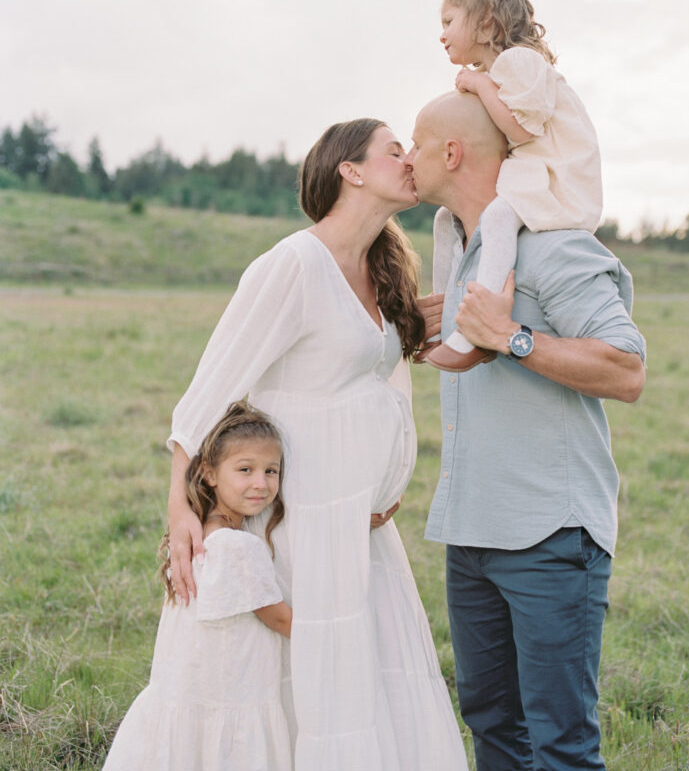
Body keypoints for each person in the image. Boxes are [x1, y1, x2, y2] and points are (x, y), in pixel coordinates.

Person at [167, 119, 469, 771]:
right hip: (298, 513)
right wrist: (181, 508)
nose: (410, 159)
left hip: (359, 521)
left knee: (366, 680)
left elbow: (363, 376)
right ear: (350, 171)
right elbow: (207, 394)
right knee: (305, 678)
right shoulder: (292, 265)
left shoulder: (381, 269)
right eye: (395, 150)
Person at [408, 92, 646, 771]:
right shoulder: (461, 249)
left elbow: (627, 368)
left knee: (561, 742)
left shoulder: (553, 246)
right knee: (491, 723)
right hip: (471, 531)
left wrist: (512, 338)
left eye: (416, 142)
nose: (406, 154)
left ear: (452, 153)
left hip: (548, 535)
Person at [424, 0, 603, 373]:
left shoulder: (517, 61)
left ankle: (476, 329)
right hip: (532, 171)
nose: (442, 35)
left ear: (486, 22)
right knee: (444, 219)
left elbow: (522, 130)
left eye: (449, 22)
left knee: (499, 217)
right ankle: (444, 317)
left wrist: (481, 86)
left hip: (556, 178)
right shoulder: (503, 69)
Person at [103, 401, 292, 771]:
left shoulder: (196, 536)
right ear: (209, 473)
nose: (262, 483)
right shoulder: (238, 548)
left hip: (187, 689)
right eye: (245, 469)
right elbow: (281, 620)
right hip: (230, 693)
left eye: (272, 470)